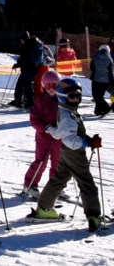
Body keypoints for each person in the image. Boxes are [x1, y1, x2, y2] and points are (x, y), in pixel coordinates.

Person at [32, 77, 103, 232]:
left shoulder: (65, 111)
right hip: (74, 152)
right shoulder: (68, 116)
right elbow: (71, 140)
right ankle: (93, 215)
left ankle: (43, 209)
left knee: (59, 178)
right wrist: (88, 142)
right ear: (63, 96)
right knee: (86, 182)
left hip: (65, 151)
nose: (76, 99)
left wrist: (52, 129)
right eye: (72, 96)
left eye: (78, 95)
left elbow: (60, 134)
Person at [22, 70, 63, 199]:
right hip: (44, 136)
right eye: (48, 86)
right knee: (41, 161)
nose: (51, 89)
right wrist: (47, 128)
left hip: (58, 136)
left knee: (58, 162)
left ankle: (56, 186)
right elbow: (34, 120)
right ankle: (30, 185)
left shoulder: (62, 101)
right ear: (44, 86)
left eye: (54, 86)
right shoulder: (40, 101)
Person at [10, 31, 39, 109]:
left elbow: (24, 59)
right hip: (33, 69)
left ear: (23, 38)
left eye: (21, 39)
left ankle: (18, 100)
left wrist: (17, 65)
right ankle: (30, 102)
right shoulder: (32, 44)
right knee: (28, 85)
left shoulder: (26, 46)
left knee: (20, 85)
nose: (20, 41)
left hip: (27, 69)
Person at [88, 45, 114, 116]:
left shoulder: (95, 57)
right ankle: (98, 111)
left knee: (96, 95)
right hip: (105, 81)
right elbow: (111, 72)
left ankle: (107, 108)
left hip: (96, 79)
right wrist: (112, 81)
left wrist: (91, 76)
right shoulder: (109, 59)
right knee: (100, 96)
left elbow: (91, 68)